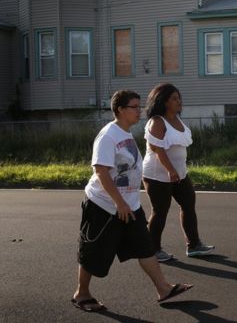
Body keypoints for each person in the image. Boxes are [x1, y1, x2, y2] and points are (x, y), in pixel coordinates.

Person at [72, 90, 192, 312]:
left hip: (129, 205)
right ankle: (82, 293)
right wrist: (120, 203)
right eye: (134, 107)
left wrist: (127, 203)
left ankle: (163, 289)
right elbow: (101, 172)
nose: (140, 111)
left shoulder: (125, 134)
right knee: (94, 251)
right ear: (120, 109)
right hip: (104, 205)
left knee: (144, 247)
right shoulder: (109, 135)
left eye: (139, 107)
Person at [142, 83, 214, 262]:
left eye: (179, 97)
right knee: (160, 210)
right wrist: (171, 170)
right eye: (174, 98)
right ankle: (153, 250)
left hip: (179, 173)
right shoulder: (157, 121)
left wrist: (177, 171)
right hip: (157, 175)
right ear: (164, 101)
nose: (179, 101)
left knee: (188, 205)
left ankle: (194, 245)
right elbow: (157, 149)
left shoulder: (176, 119)